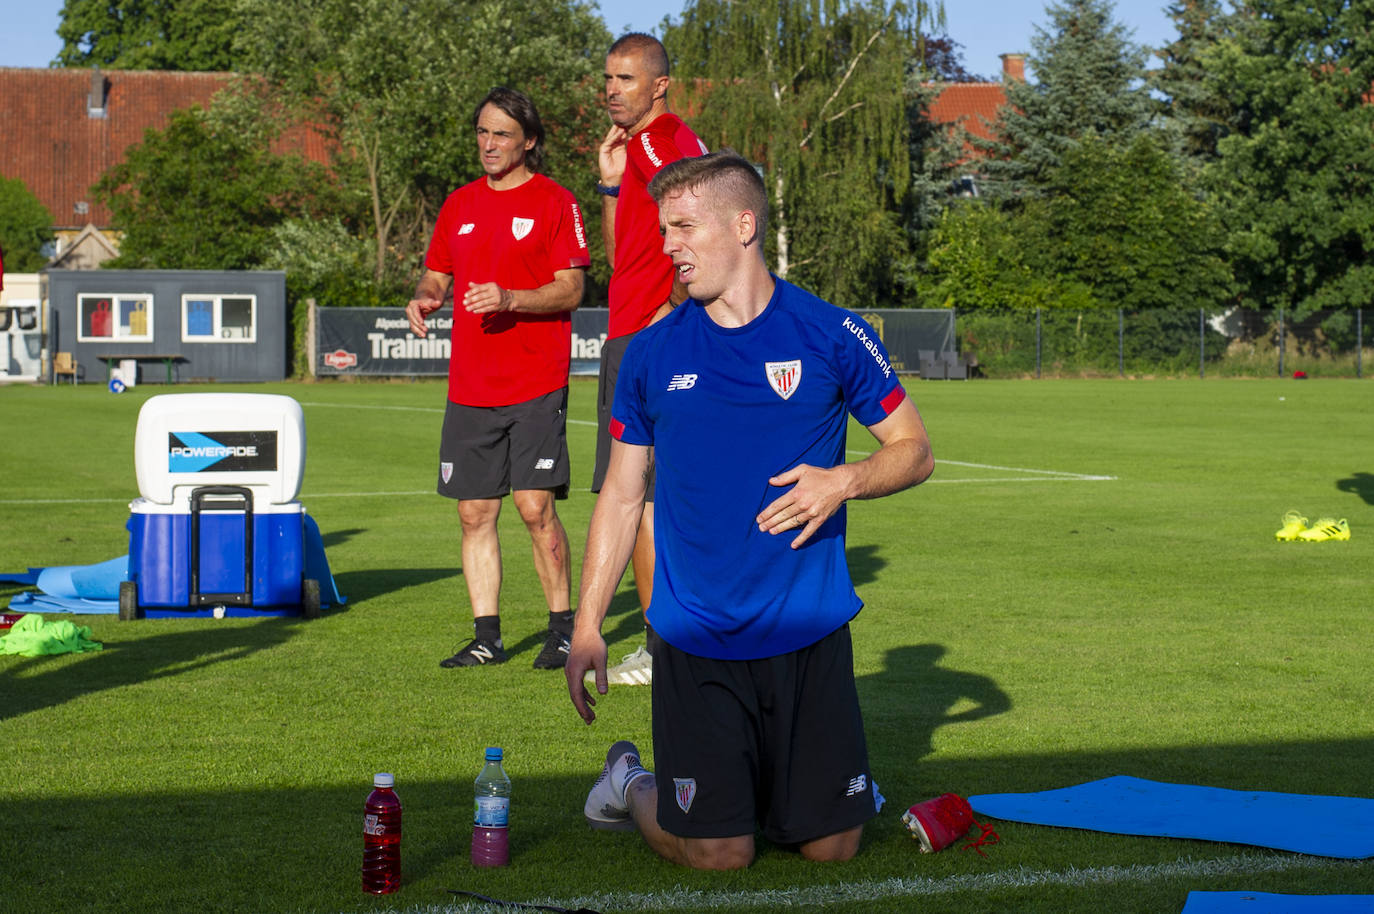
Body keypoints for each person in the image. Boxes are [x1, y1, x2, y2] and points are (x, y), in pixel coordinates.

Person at [566, 152, 935, 869]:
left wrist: (845, 481)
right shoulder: (649, 354)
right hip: (696, 637)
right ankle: (629, 777)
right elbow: (621, 491)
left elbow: (914, 450)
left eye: (683, 227)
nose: (668, 245)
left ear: (743, 225)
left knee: (831, 848)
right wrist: (587, 624)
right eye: (662, 229)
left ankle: (776, 786)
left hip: (808, 632)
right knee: (719, 854)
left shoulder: (834, 333)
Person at [406, 87, 590, 670]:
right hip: (470, 386)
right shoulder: (458, 205)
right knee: (473, 513)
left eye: (502, 134)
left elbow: (574, 287)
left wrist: (511, 297)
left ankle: (563, 629)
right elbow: (437, 273)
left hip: (535, 379)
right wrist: (425, 296)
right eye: (483, 132)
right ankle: (487, 636)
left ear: (528, 141)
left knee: (535, 507)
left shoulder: (557, 201)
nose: (489, 144)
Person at [589, 32, 707, 686]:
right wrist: (611, 189)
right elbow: (621, 256)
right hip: (638, 324)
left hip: (645, 334)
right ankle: (676, 640)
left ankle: (662, 650)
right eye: (608, 78)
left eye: (627, 79)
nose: (612, 89)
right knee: (655, 494)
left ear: (658, 85)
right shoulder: (639, 150)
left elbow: (693, 209)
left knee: (635, 496)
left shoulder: (659, 140)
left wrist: (673, 304)